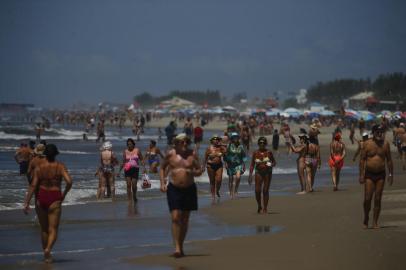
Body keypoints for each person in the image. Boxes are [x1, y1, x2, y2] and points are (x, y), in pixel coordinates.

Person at [23, 144, 72, 263]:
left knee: (44, 229)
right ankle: (48, 250)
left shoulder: (39, 168)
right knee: (53, 229)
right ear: (55, 154)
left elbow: (33, 185)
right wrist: (64, 194)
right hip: (55, 197)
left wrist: (26, 203)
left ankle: (46, 253)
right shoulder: (60, 166)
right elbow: (69, 181)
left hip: (41, 197)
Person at [159, 133, 203, 258]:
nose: (184, 144)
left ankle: (181, 245)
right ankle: (177, 247)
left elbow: (199, 170)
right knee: (175, 217)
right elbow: (162, 168)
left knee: (185, 219)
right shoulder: (171, 154)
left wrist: (192, 172)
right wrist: (162, 183)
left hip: (189, 189)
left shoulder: (192, 154)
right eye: (182, 142)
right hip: (174, 188)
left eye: (186, 142)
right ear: (176, 143)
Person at [359, 125, 393, 229]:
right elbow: (362, 160)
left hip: (381, 174)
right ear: (373, 133)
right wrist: (361, 174)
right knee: (367, 199)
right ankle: (366, 217)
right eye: (377, 132)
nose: (379, 134)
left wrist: (391, 174)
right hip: (369, 174)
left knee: (378, 198)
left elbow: (389, 160)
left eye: (381, 132)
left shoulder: (386, 144)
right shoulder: (367, 144)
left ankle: (375, 222)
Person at [248, 137, 276, 214]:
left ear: (266, 144)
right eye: (260, 143)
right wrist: (250, 175)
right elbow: (252, 165)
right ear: (258, 144)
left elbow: (274, 162)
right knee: (257, 191)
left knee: (265, 191)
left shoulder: (269, 152)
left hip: (268, 173)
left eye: (263, 143)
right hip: (258, 172)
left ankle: (265, 208)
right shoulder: (255, 153)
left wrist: (271, 165)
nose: (262, 144)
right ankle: (259, 205)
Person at [119, 138, 145, 203]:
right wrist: (119, 171)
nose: (129, 146)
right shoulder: (125, 151)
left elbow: (141, 159)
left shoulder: (137, 150)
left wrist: (144, 168)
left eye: (130, 144)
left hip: (135, 169)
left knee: (134, 185)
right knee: (128, 184)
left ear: (133, 144)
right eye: (128, 144)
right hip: (127, 169)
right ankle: (129, 199)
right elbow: (123, 161)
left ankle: (134, 195)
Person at [202, 135, 226, 202]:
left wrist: (222, 145)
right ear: (212, 140)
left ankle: (217, 190)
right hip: (210, 166)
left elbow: (226, 152)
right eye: (214, 139)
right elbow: (205, 158)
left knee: (219, 180)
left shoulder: (221, 148)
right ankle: (213, 195)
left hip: (219, 165)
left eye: (217, 139)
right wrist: (203, 167)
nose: (216, 140)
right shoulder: (209, 148)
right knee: (212, 181)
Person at [224, 132, 246, 199]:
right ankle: (230, 192)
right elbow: (225, 155)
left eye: (236, 137)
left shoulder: (241, 146)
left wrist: (244, 165)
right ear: (232, 138)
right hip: (230, 165)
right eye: (234, 137)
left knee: (238, 177)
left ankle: (236, 190)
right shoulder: (229, 146)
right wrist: (225, 163)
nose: (235, 138)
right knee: (230, 179)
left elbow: (244, 156)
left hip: (238, 165)